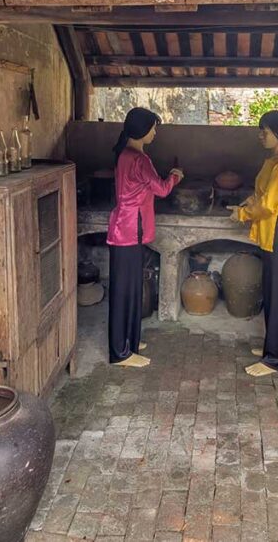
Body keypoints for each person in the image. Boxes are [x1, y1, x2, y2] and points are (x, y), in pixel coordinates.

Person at [107, 108, 183, 368]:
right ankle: (120, 353)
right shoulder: (140, 159)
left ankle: (129, 341)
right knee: (124, 291)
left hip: (124, 228)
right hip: (129, 230)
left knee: (129, 288)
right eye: (153, 127)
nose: (155, 132)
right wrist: (175, 177)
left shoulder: (124, 154)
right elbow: (161, 189)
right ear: (141, 129)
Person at [229, 110, 278, 377]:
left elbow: (270, 206)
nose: (261, 135)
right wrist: (248, 202)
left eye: (265, 131)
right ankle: (274, 348)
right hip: (272, 238)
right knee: (273, 296)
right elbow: (263, 194)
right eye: (261, 130)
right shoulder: (274, 160)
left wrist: (242, 215)